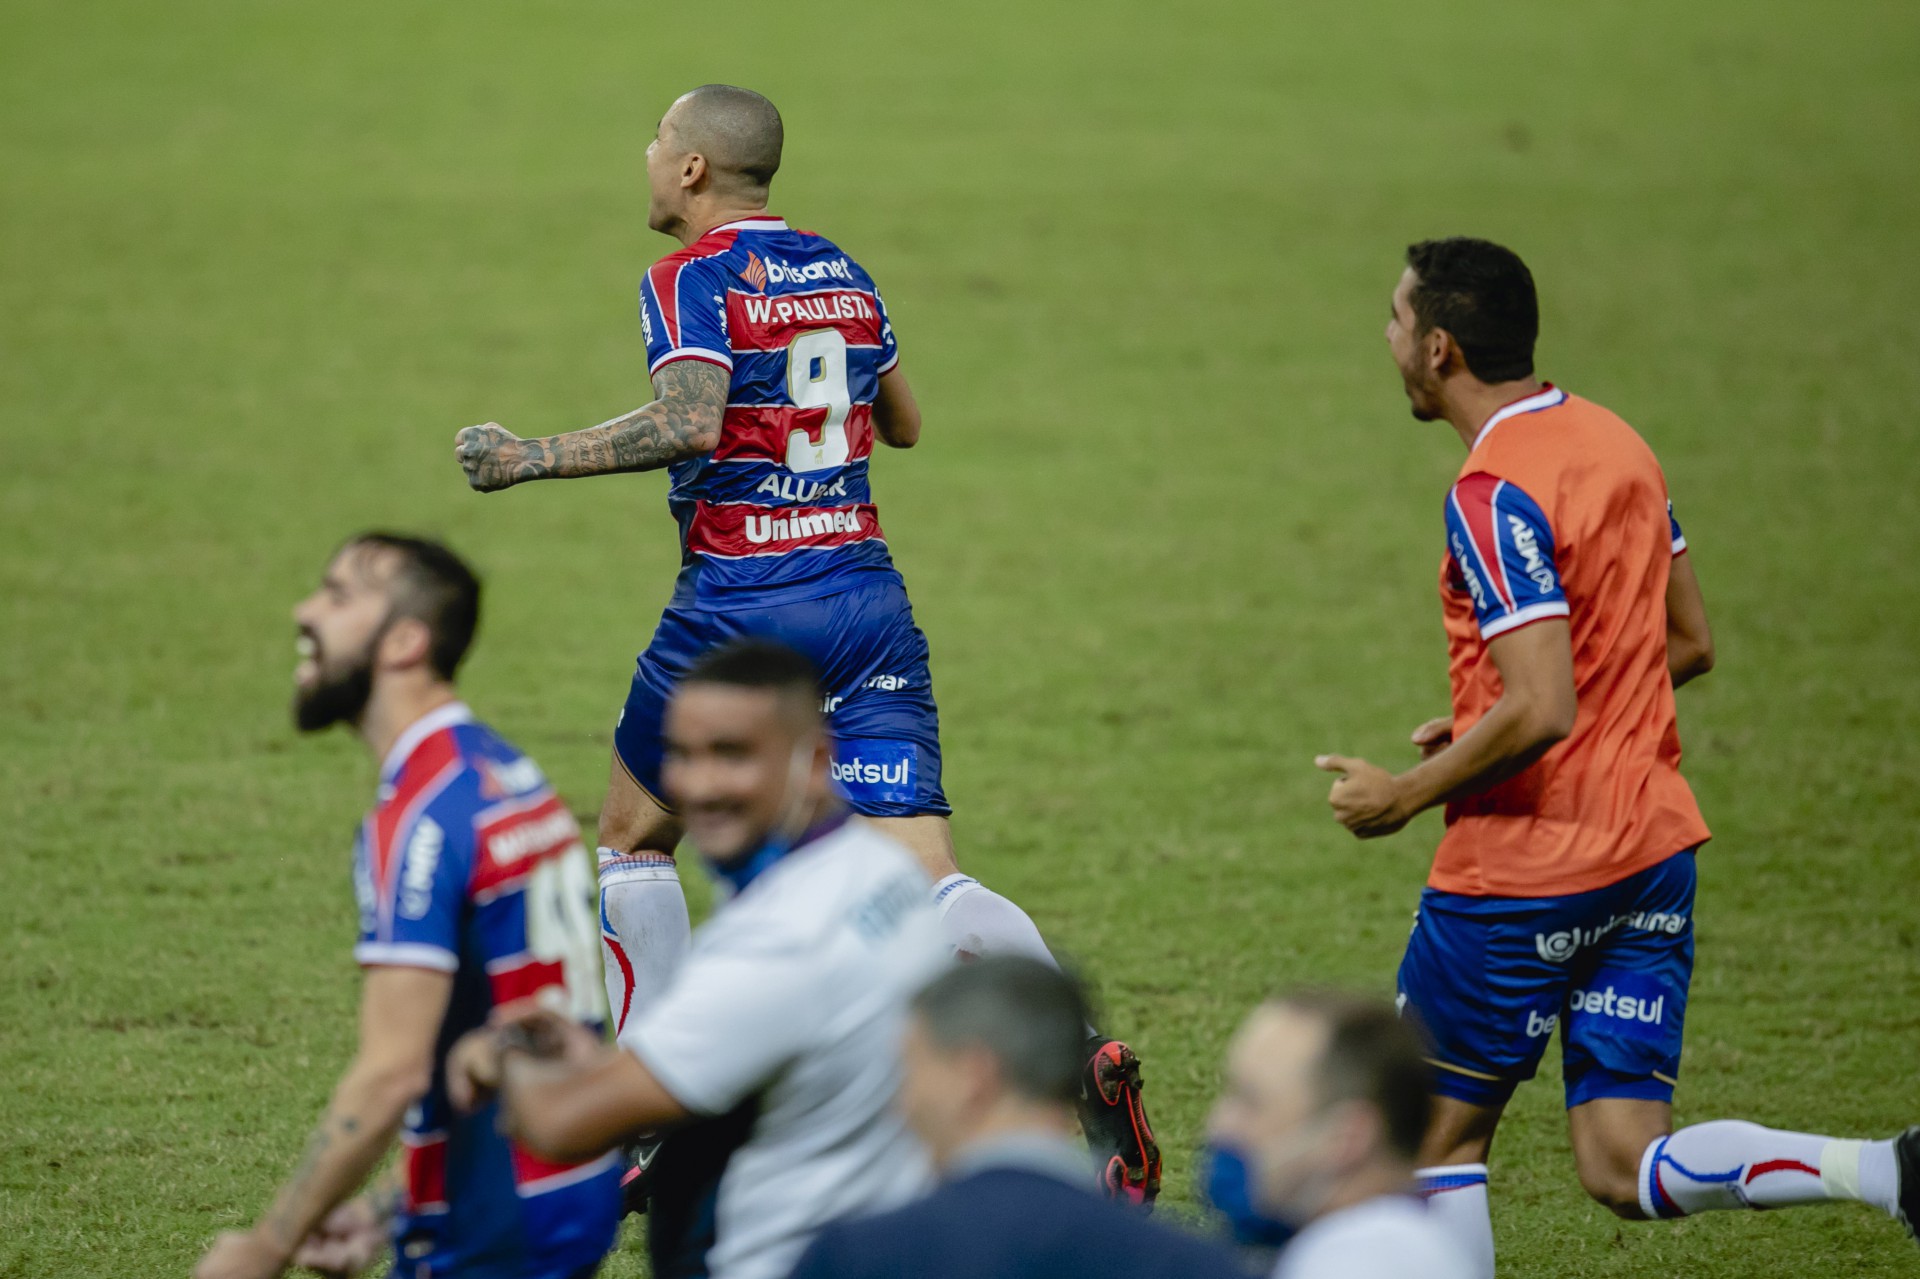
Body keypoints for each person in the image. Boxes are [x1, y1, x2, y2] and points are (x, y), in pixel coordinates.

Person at [450, 81, 1157, 1202]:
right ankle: (1075, 1051)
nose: (645, 157)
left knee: (634, 836)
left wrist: (527, 455)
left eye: (656, 141)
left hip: (738, 607)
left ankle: (666, 1116)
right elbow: (907, 422)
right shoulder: (841, 268)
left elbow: (689, 419)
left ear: (690, 171)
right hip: (865, 596)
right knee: (924, 870)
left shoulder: (689, 278)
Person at [1312, 237, 1918, 1274]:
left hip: (1522, 873)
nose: (1389, 338)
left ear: (1441, 348)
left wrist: (1406, 793)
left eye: (1398, 322)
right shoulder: (1616, 442)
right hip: (1649, 850)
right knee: (1621, 1162)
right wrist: (1482, 725)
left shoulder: (1489, 493)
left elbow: (1545, 707)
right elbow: (1683, 644)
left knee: (1431, 1145)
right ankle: (1886, 1171)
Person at [447, 640, 952, 1279]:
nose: (700, 787)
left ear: (817, 761)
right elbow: (760, 1062)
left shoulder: (776, 943)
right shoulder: (885, 874)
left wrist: (496, 1058)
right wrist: (598, 1064)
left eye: (732, 755)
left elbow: (563, 1124)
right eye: (681, 755)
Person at [193, 534, 619, 1279]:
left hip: (493, 1231)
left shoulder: (422, 814)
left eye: (337, 594)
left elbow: (391, 1074)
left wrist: (265, 1249)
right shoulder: (506, 773)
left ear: (403, 641)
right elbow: (515, 1027)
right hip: (569, 1192)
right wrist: (390, 1205)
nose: (305, 610)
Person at [786, 957, 1247, 1279]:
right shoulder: (1195, 1265)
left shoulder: (858, 1259)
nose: (898, 1102)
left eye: (910, 1070)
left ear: (973, 1077)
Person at [1203, 994, 1472, 1278]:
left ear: (1347, 1138)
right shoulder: (1368, 1244)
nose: (1220, 1125)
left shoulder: (1361, 1265)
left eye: (1251, 1103)